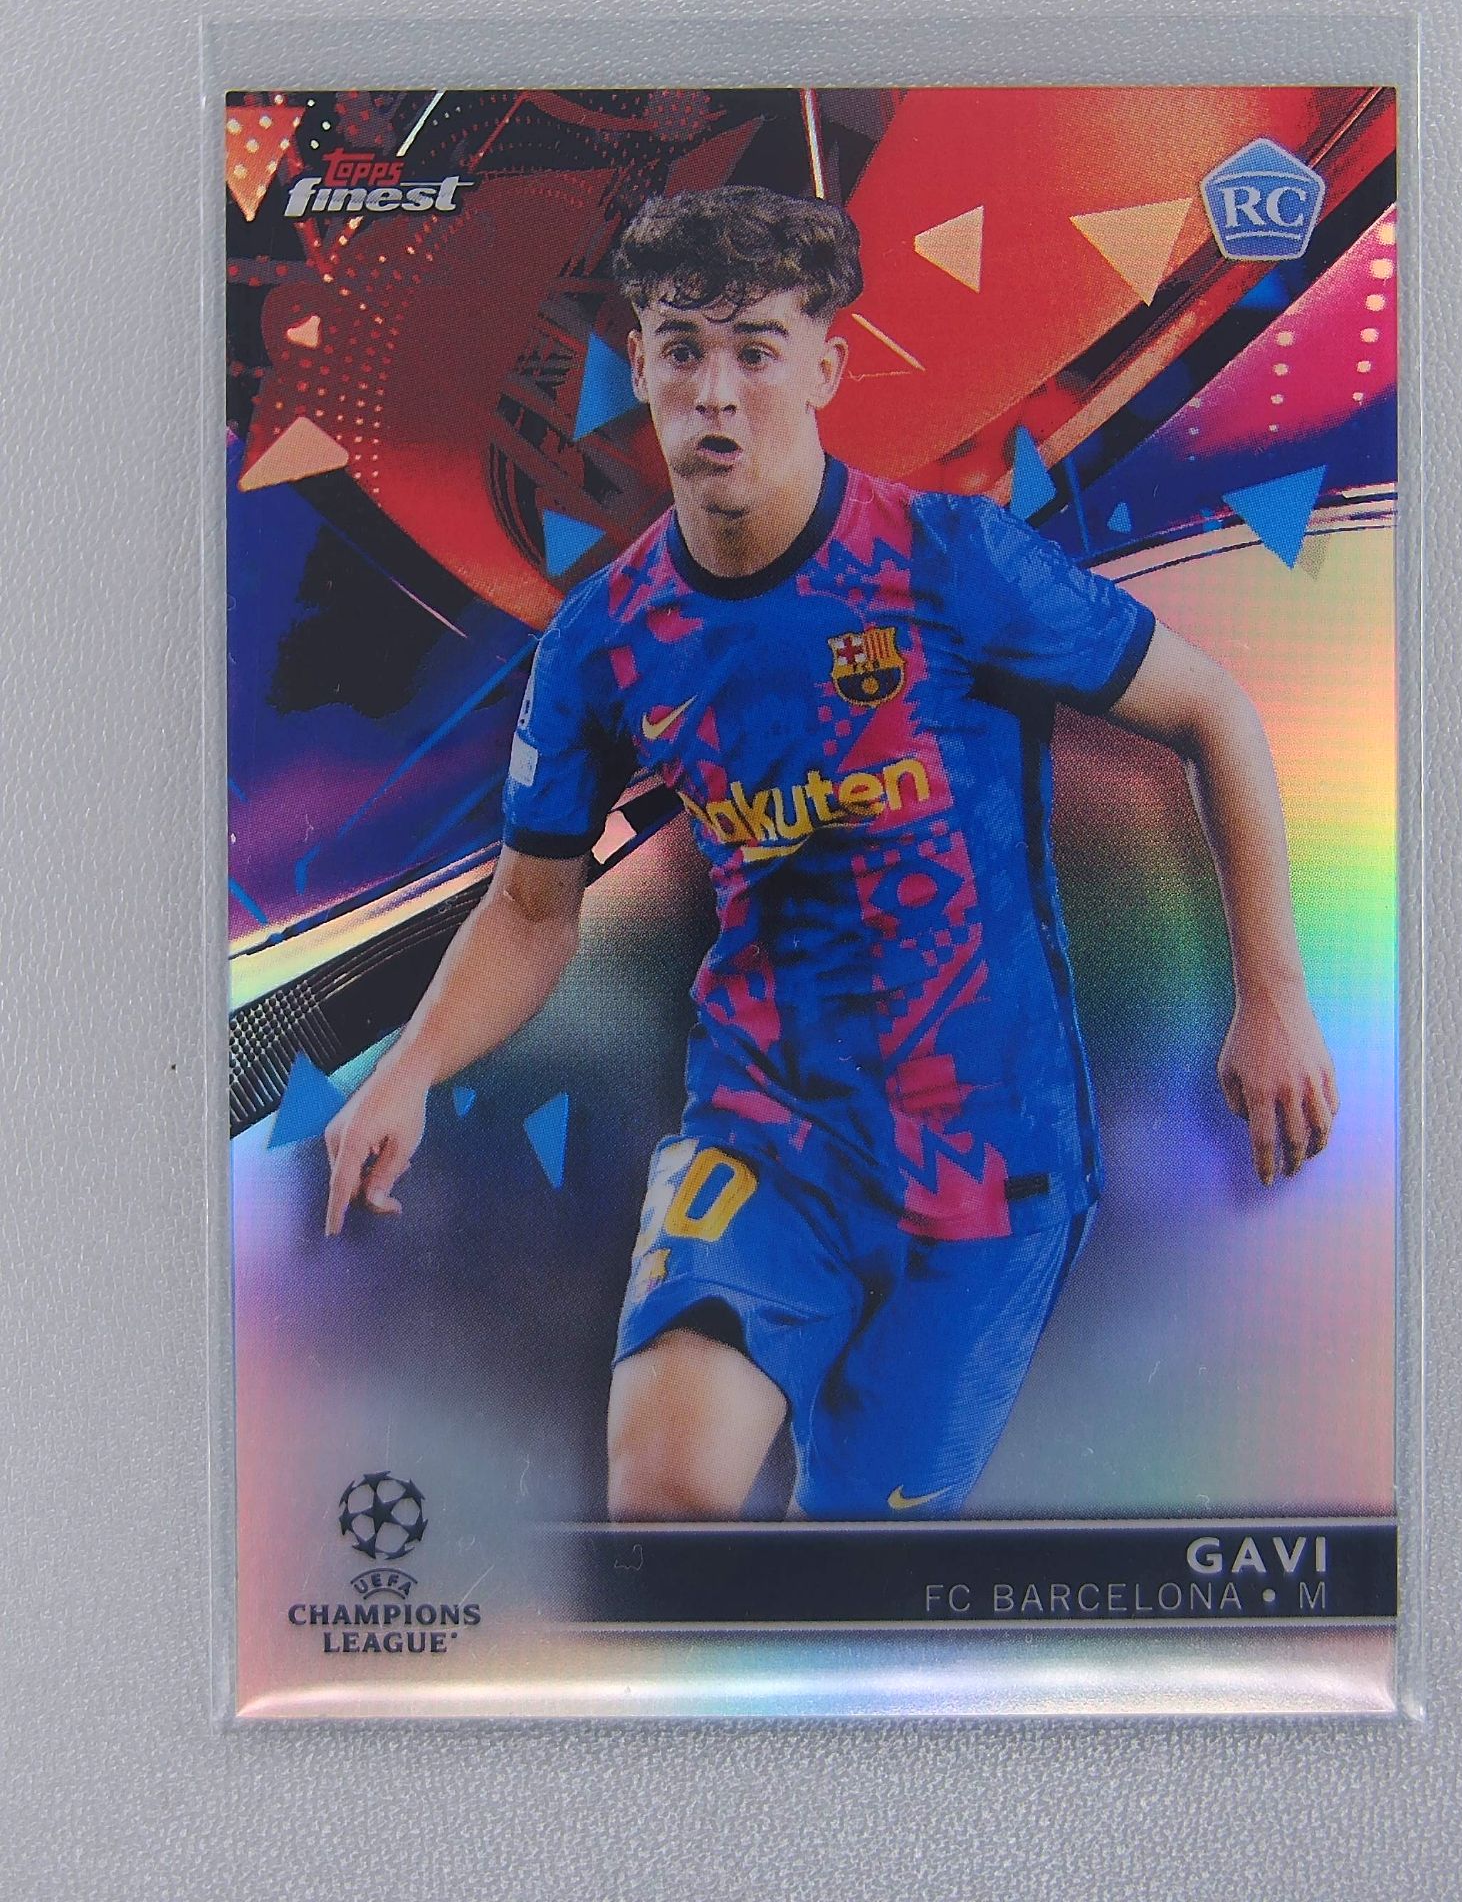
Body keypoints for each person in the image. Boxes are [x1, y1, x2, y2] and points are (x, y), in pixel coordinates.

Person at [323, 185, 1339, 1523]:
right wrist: (408, 1069)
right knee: (663, 1501)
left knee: (853, 1566)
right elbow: (528, 912)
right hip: (764, 1134)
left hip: (986, 1165)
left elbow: (1213, 714)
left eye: (755, 349)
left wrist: (1271, 995)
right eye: (682, 349)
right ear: (637, 368)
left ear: (825, 367)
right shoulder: (604, 640)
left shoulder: (951, 562)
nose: (716, 391)